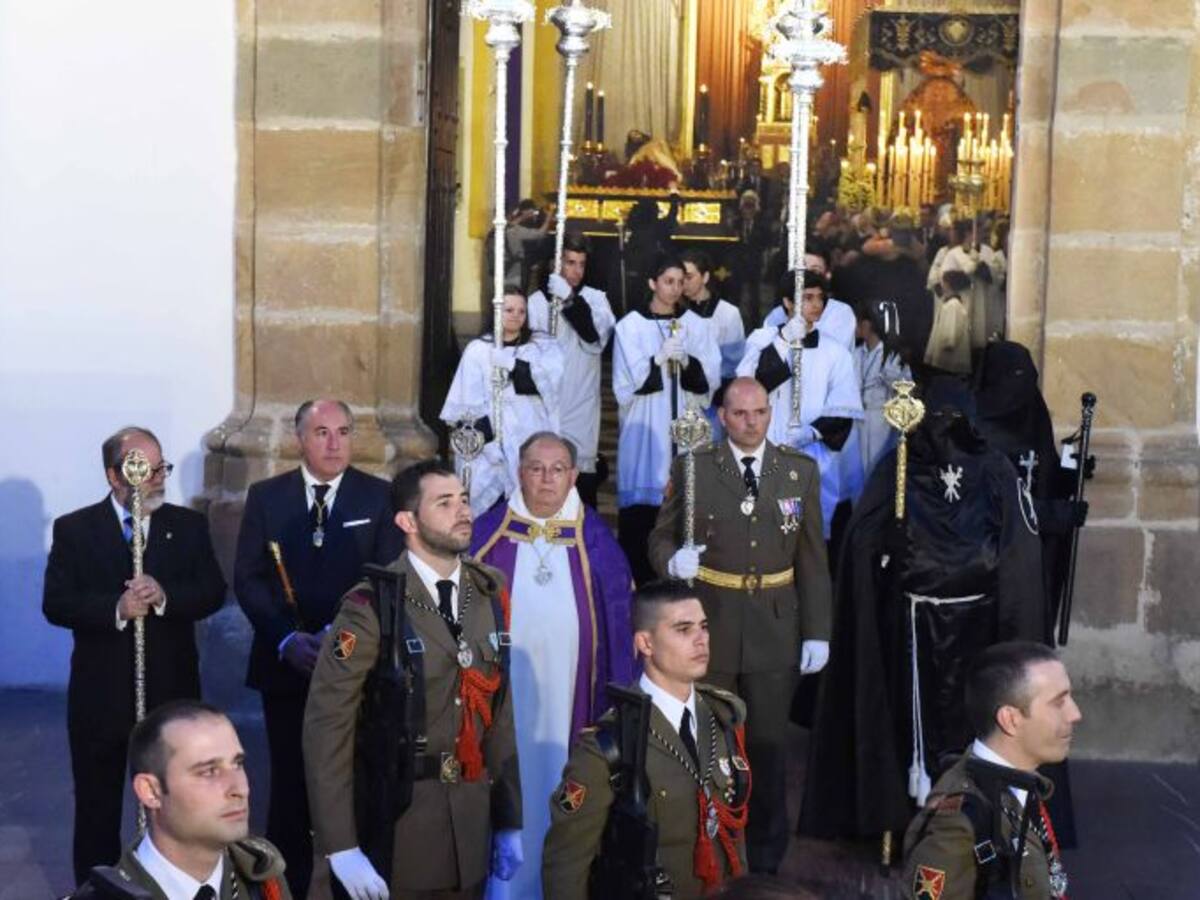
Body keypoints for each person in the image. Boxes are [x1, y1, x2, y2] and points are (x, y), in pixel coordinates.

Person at [800, 378, 1046, 843]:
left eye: (954, 422)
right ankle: (902, 825)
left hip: (978, 630)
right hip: (912, 627)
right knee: (906, 731)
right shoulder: (898, 467)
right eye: (936, 420)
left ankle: (975, 825)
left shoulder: (994, 471)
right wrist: (883, 550)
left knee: (973, 728)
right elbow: (861, 543)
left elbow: (1018, 555)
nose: (943, 431)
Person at [304, 460, 521, 900]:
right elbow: (327, 730)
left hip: (470, 823)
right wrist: (340, 846)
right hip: (400, 825)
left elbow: (499, 714)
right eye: (444, 503)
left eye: (463, 499)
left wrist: (509, 819)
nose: (463, 511)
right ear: (408, 521)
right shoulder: (372, 605)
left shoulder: (488, 592)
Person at [648, 378, 832, 875]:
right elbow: (660, 537)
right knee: (707, 747)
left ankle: (766, 862)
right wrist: (672, 563)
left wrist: (818, 630)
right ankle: (705, 851)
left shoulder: (799, 471)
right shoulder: (695, 469)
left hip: (776, 632)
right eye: (740, 413)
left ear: (770, 413)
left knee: (768, 754)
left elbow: (814, 558)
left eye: (760, 412)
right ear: (722, 417)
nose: (751, 422)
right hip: (712, 629)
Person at [43, 425, 226, 886]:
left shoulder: (187, 527)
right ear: (114, 475)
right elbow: (57, 603)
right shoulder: (75, 529)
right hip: (100, 699)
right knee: (97, 810)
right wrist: (116, 608)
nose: (160, 477)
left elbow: (210, 592)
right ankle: (97, 890)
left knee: (173, 804)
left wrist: (165, 597)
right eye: (147, 468)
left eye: (162, 466)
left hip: (170, 695)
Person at [234, 399, 401, 897]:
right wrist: (286, 638)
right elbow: (249, 578)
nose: (335, 443)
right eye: (323, 433)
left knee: (352, 789)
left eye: (344, 432)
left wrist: (338, 641)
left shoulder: (379, 497)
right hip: (286, 666)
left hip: (355, 670)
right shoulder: (267, 497)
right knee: (289, 790)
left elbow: (386, 577)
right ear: (300, 439)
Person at [470, 432, 635, 899]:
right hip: (504, 704)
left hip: (573, 701)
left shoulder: (599, 547)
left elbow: (620, 631)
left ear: (573, 476)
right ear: (519, 473)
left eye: (557, 468)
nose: (546, 479)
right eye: (536, 468)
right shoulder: (485, 538)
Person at [542, 579, 751, 899]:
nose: (701, 640)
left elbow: (734, 831)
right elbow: (566, 864)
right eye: (683, 629)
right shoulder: (608, 747)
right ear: (645, 644)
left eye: (704, 627)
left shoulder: (723, 717)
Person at [902, 642, 1082, 900]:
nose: (1075, 714)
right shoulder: (959, 823)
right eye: (1058, 702)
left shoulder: (1020, 783)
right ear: (1010, 719)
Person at [70, 700, 292, 900]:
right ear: (151, 791)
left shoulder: (262, 875)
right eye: (209, 772)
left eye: (237, 764)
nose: (240, 789)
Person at [613, 253, 721, 585]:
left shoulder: (697, 326)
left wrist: (688, 362)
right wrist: (657, 360)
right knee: (643, 523)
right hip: (646, 429)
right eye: (668, 282)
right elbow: (626, 386)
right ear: (652, 283)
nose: (675, 289)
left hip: (686, 427)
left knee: (686, 516)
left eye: (680, 281)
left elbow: (710, 382)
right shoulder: (629, 326)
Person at [737, 270, 864, 540]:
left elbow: (843, 411)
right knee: (767, 533)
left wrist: (811, 432)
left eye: (820, 298)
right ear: (787, 302)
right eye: (807, 297)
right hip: (767, 448)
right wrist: (783, 342)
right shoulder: (763, 340)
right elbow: (755, 386)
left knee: (807, 535)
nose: (816, 304)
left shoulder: (835, 352)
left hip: (812, 455)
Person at [441, 287, 565, 516]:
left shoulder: (538, 348)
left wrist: (512, 364)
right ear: (496, 311)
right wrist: (489, 446)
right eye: (508, 309)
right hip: (487, 450)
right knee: (487, 515)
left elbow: (546, 384)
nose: (515, 315)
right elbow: (466, 406)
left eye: (521, 311)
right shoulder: (478, 350)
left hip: (528, 437)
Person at [527, 233, 617, 509]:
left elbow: (593, 336)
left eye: (581, 264)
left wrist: (569, 300)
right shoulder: (536, 302)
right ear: (555, 264)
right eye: (570, 263)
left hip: (581, 402)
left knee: (580, 483)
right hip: (546, 404)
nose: (576, 270)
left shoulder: (596, 299)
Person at [854, 304, 913, 480]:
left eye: (860, 321)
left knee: (878, 468)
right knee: (858, 470)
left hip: (882, 419)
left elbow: (907, 390)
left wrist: (893, 380)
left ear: (869, 324)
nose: (856, 326)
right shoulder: (857, 353)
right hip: (858, 417)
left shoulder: (892, 354)